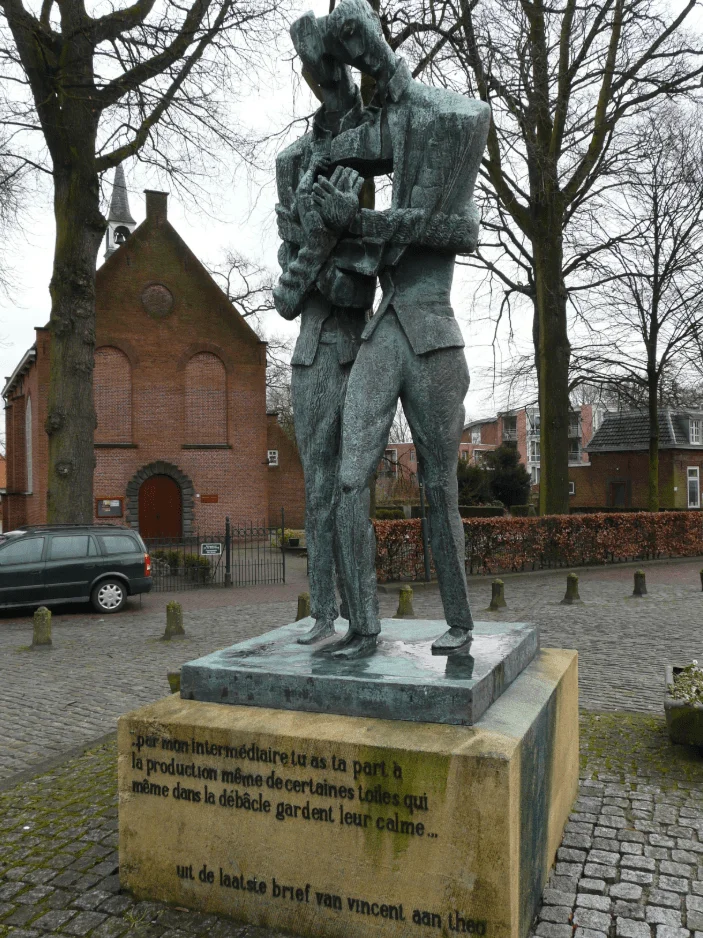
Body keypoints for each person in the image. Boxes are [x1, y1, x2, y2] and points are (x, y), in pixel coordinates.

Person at [309, 0, 491, 659]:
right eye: (353, 60)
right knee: (351, 477)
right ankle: (362, 626)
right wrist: (323, 202)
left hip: (434, 335)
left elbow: (457, 231)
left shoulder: (454, 118)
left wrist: (362, 223)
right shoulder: (382, 127)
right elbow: (335, 150)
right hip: (387, 329)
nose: (363, 69)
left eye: (364, 51)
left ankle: (462, 623)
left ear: (380, 47)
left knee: (440, 487)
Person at [273, 12, 372, 645]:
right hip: (312, 351)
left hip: (360, 348)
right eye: (314, 70)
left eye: (330, 70)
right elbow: (287, 279)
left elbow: (363, 280)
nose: (322, 80)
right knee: (317, 489)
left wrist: (326, 255)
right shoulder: (293, 162)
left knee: (352, 487)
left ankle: (364, 620)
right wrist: (317, 248)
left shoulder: (369, 145)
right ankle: (324, 614)